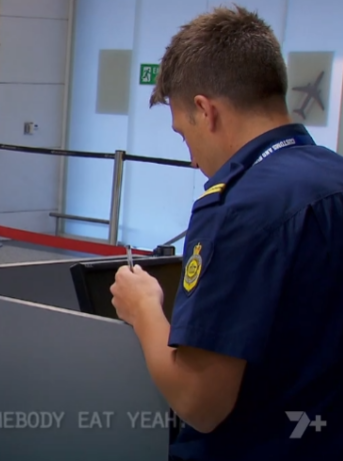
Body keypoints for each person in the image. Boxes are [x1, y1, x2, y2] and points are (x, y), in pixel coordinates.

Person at [110, 6, 343, 461]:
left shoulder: (238, 207)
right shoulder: (333, 175)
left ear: (205, 110)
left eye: (184, 135)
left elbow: (200, 401)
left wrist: (143, 308)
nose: (194, 160)